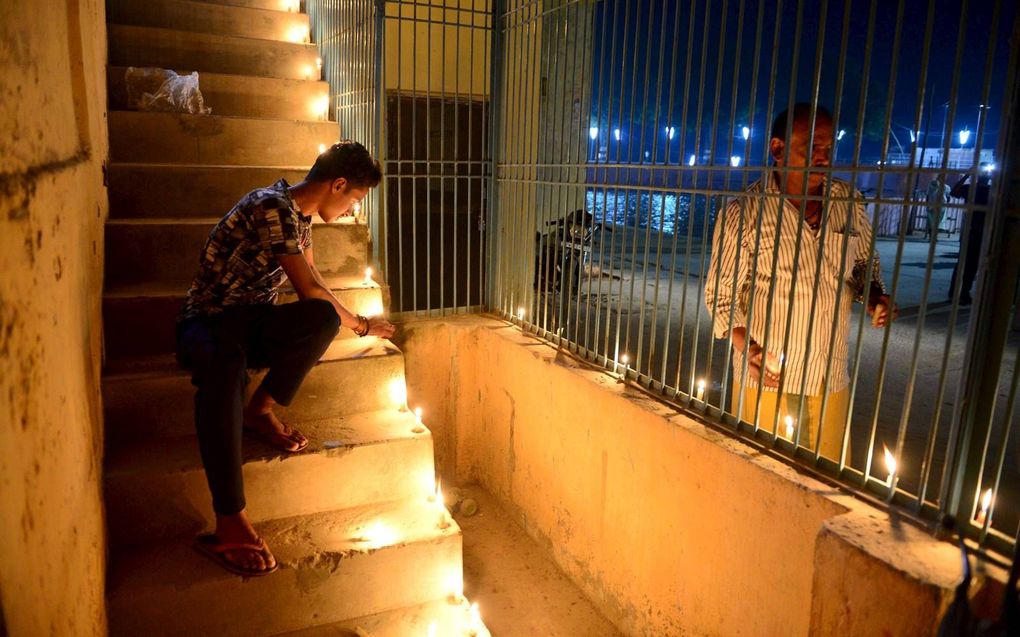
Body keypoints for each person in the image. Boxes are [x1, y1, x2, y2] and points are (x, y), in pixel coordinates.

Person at [175, 141, 395, 577]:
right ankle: (230, 519)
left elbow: (312, 283)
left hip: (250, 320)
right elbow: (310, 287)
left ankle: (260, 409)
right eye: (354, 198)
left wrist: (349, 319)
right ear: (337, 184)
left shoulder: (298, 217)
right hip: (206, 322)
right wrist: (363, 325)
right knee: (227, 367)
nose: (353, 209)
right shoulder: (271, 205)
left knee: (318, 320)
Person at [705, 103, 896, 462]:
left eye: (828, 149)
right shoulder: (742, 213)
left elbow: (864, 266)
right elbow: (720, 297)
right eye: (811, 148)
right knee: (764, 474)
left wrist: (875, 297)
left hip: (828, 373)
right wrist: (749, 347)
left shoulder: (849, 202)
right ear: (778, 149)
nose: (822, 159)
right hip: (765, 378)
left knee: (826, 477)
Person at [948, 163, 993, 306]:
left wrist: (967, 175)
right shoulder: (990, 191)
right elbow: (953, 192)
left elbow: (953, 192)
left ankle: (955, 293)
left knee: (963, 262)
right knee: (971, 264)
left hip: (971, 230)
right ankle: (963, 293)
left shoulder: (971, 188)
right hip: (979, 231)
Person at [925, 174, 951, 241]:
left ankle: (933, 237)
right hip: (933, 205)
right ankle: (932, 237)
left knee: (937, 223)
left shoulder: (946, 187)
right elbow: (928, 195)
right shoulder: (932, 185)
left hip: (940, 206)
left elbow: (948, 198)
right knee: (932, 222)